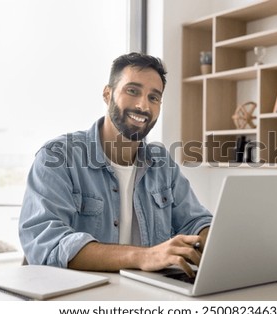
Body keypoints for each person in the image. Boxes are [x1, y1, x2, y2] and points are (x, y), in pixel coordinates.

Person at [19, 52, 213, 278]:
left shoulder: (162, 163)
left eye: (154, 97)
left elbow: (195, 221)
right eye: (132, 91)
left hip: (149, 293)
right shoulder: (58, 156)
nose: (143, 105)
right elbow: (47, 243)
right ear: (107, 94)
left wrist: (212, 240)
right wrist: (145, 256)